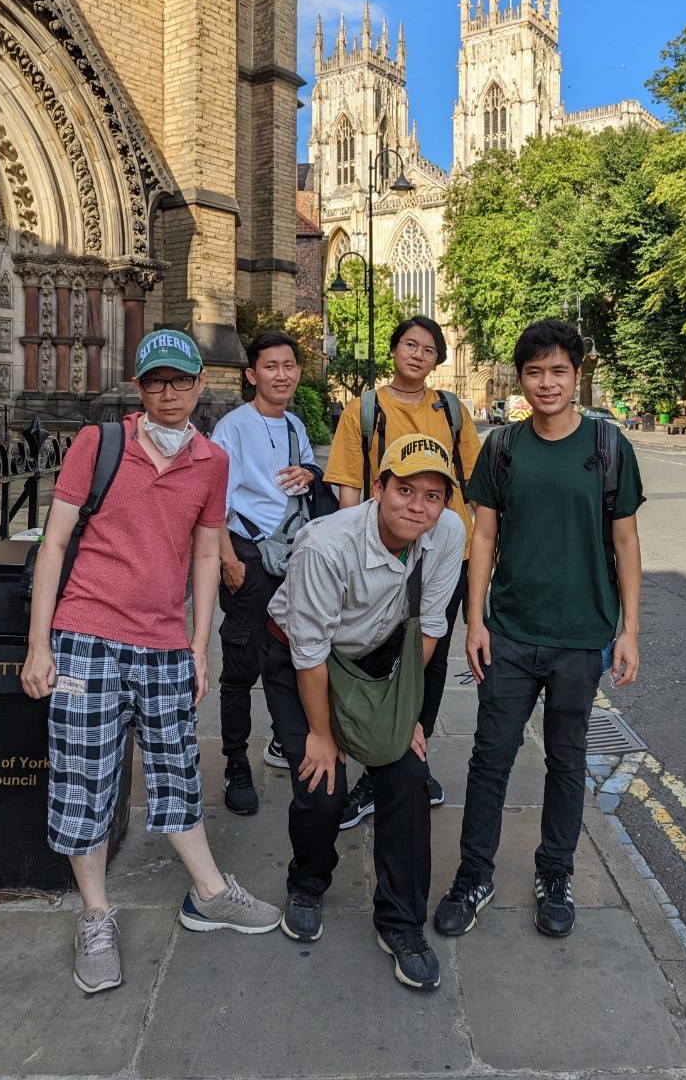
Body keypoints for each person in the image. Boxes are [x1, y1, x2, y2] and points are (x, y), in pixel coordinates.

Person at [21, 330, 281, 995]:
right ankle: (97, 915)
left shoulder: (211, 461)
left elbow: (203, 556)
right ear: (138, 388)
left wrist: (198, 646)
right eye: (156, 382)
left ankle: (210, 893)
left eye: (181, 381)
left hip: (165, 644)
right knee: (85, 779)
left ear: (200, 385)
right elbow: (53, 546)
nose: (170, 393)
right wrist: (38, 643)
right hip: (87, 636)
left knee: (177, 772)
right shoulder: (98, 445)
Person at [434, 318, 645, 943]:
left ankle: (555, 874)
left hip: (582, 636)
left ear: (578, 374)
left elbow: (626, 540)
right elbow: (485, 537)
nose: (546, 383)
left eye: (558, 371)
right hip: (511, 633)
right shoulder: (503, 448)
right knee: (490, 759)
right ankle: (474, 874)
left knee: (566, 761)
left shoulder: (610, 449)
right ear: (521, 378)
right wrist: (474, 620)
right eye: (535, 372)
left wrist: (630, 630)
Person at [260, 434, 465, 991]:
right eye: (404, 491)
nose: (417, 507)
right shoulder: (325, 545)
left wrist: (405, 716)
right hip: (300, 653)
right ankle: (307, 882)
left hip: (377, 654)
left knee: (407, 777)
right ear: (378, 489)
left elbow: (428, 630)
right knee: (322, 783)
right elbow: (308, 654)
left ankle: (400, 922)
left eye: (432, 495)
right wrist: (326, 735)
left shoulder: (447, 534)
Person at [324, 315, 480, 828]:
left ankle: (413, 751)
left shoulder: (452, 410)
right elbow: (349, 485)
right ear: (394, 351)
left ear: (438, 359)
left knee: (429, 660)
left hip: (445, 556)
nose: (418, 354)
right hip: (384, 556)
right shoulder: (363, 409)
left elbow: (475, 485)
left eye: (429, 349)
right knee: (379, 655)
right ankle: (375, 756)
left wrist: (485, 550)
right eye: (409, 345)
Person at [211, 330, 318, 816]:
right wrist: (227, 560)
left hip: (292, 556)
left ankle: (286, 743)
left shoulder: (295, 424)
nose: (283, 374)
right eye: (271, 366)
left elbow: (309, 473)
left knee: (295, 655)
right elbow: (214, 501)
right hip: (248, 556)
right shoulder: (232, 427)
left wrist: (308, 474)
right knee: (240, 665)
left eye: (289, 365)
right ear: (252, 375)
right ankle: (236, 761)